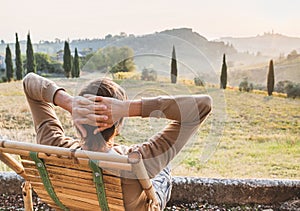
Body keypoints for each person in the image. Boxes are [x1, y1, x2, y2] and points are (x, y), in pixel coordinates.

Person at [23, 72, 212, 211]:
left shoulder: (53, 146)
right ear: (118, 126)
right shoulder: (140, 161)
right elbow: (203, 105)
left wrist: (68, 101)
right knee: (164, 168)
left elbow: (29, 82)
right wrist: (129, 108)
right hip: (135, 198)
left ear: (76, 121)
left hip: (73, 201)